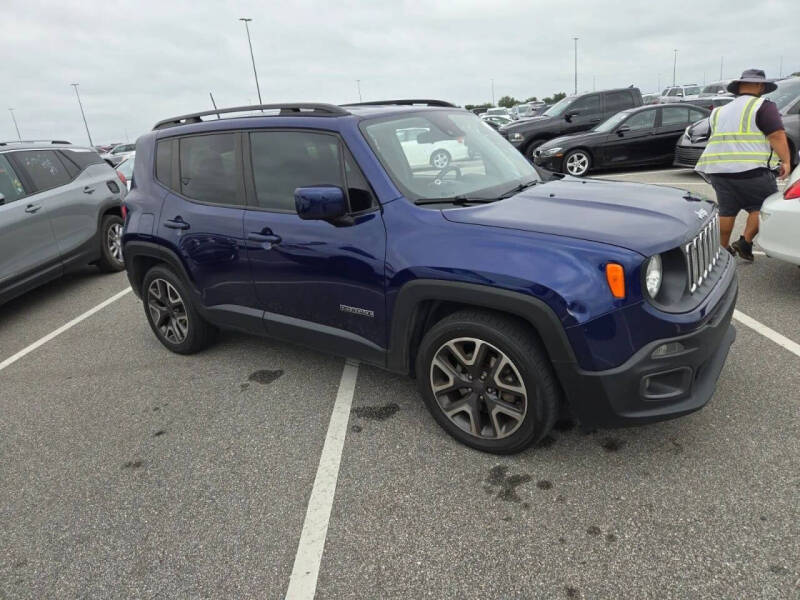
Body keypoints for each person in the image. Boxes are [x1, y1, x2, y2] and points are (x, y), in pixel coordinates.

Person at [695, 69, 791, 261]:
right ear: (759, 86)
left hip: (718, 171)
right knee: (762, 206)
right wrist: (787, 161)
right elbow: (776, 135)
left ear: (738, 87)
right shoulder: (763, 106)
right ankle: (745, 242)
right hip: (752, 170)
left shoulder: (719, 111)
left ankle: (721, 252)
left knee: (727, 210)